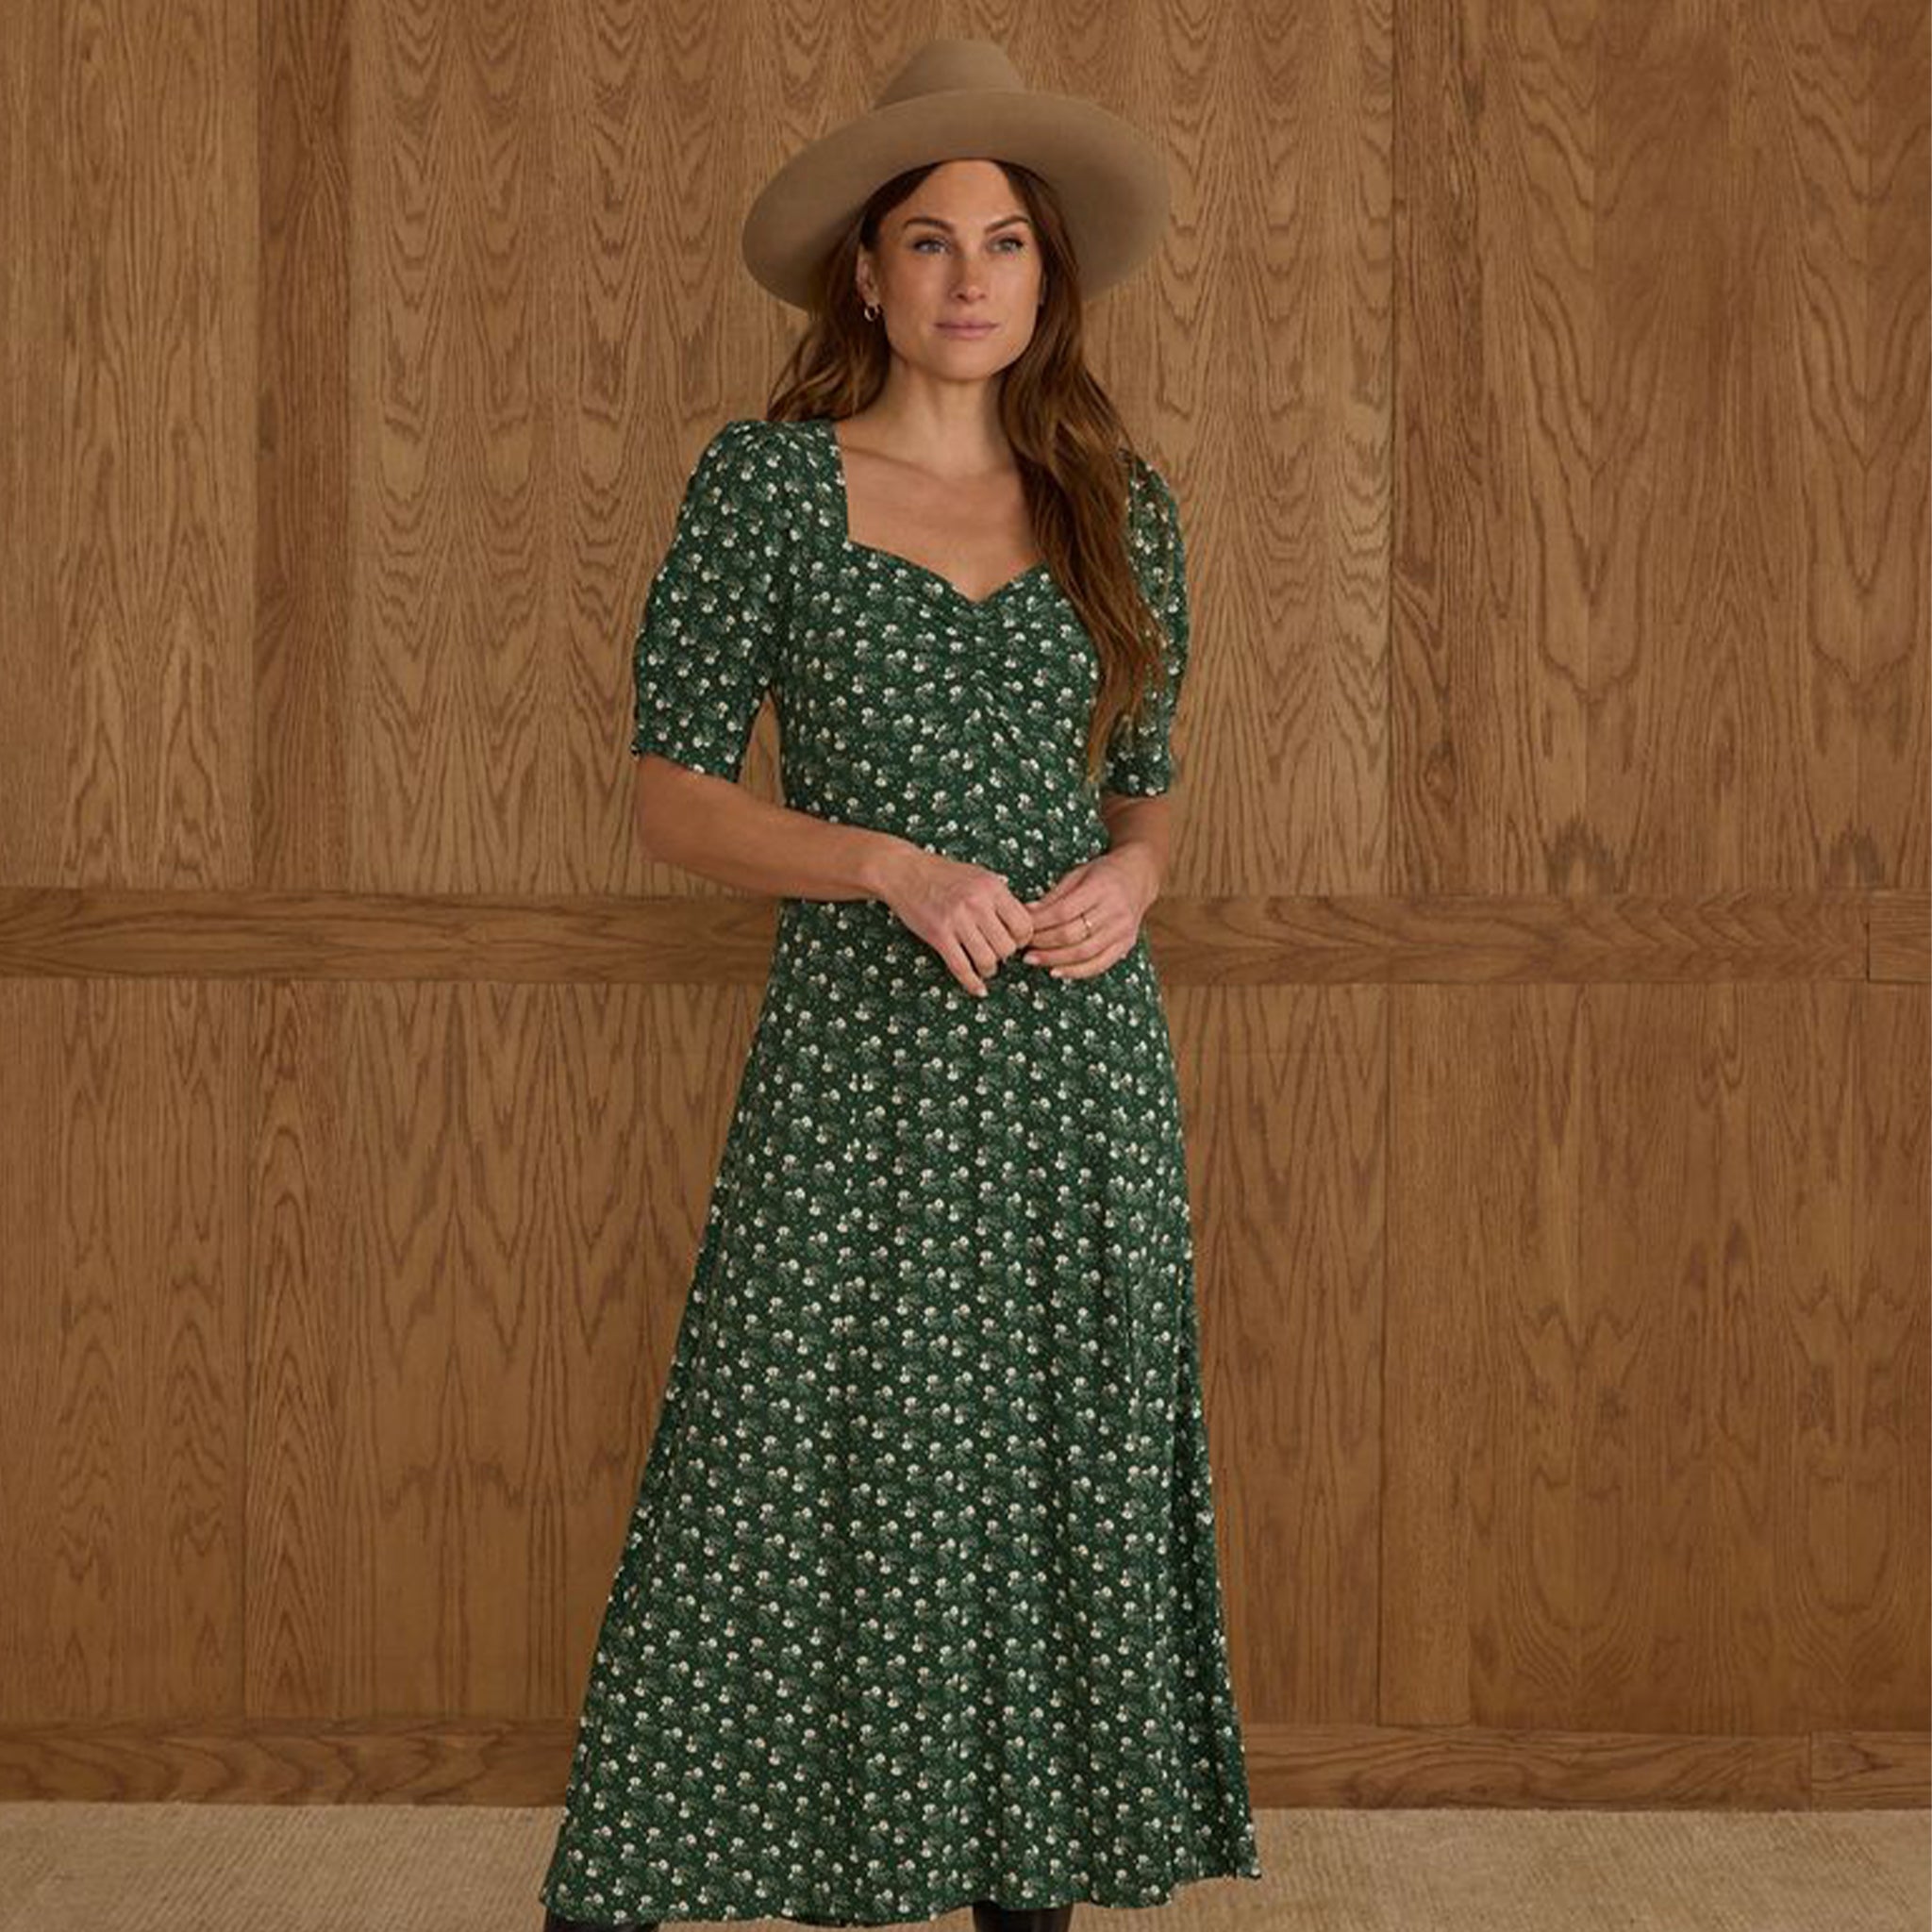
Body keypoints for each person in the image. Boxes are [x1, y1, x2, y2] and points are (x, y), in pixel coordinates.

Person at [539, 36, 1261, 1932]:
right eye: (929, 239)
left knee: (1046, 1476)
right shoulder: (768, 489)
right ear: (864, 273)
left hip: (1074, 1069)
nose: (967, 278)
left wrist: (1132, 879)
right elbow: (671, 800)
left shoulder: (1117, 502)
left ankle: (1024, 1894)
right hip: (857, 1057)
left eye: (1004, 242)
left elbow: (1145, 785)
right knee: (778, 1468)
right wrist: (881, 862)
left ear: (1046, 275)